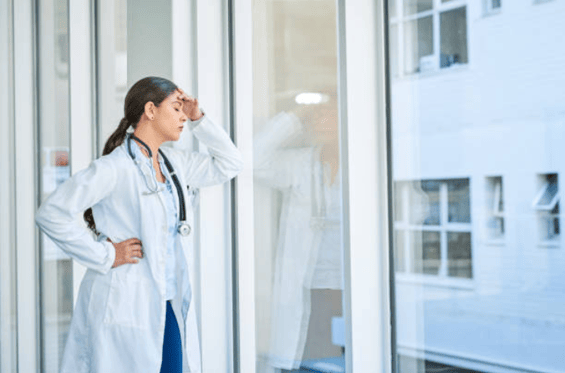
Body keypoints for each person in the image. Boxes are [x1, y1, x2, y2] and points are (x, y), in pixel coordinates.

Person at [35, 76, 244, 373]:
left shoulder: (177, 164)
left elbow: (230, 163)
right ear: (150, 110)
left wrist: (200, 119)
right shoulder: (114, 168)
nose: (183, 115)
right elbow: (51, 213)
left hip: (167, 300)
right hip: (125, 301)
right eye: (176, 108)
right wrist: (106, 255)